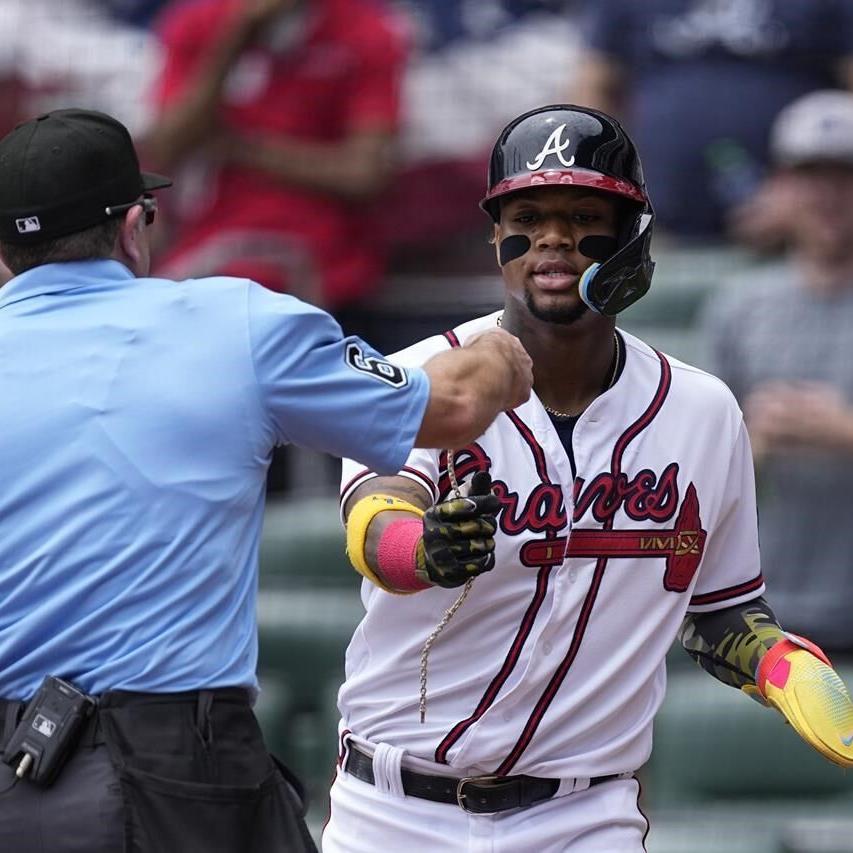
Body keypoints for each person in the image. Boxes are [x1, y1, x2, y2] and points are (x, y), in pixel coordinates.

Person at [0, 108, 532, 853]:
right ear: (132, 225)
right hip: (172, 767)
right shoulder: (231, 321)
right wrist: (507, 348)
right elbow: (454, 405)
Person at [327, 104, 853, 852]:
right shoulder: (418, 376)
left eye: (583, 214)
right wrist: (421, 549)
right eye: (528, 214)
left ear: (630, 234)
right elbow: (375, 520)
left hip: (578, 816)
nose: (553, 237)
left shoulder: (700, 411)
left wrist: (779, 664)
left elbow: (720, 613)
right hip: (395, 809)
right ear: (495, 235)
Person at [703, 90, 853, 656]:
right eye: (811, 176)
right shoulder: (738, 307)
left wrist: (843, 433)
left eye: (845, 177)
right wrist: (752, 445)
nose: (829, 196)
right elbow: (695, 479)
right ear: (782, 187)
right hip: (767, 613)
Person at [143, 0, 408, 311]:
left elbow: (365, 174)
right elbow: (166, 148)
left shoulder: (366, 30)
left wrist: (240, 148)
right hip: (206, 256)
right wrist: (235, 40)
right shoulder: (197, 22)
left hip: (323, 269)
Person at [573, 0, 853, 241]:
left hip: (801, 238)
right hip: (660, 230)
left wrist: (806, 199)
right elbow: (594, 89)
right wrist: (617, 192)